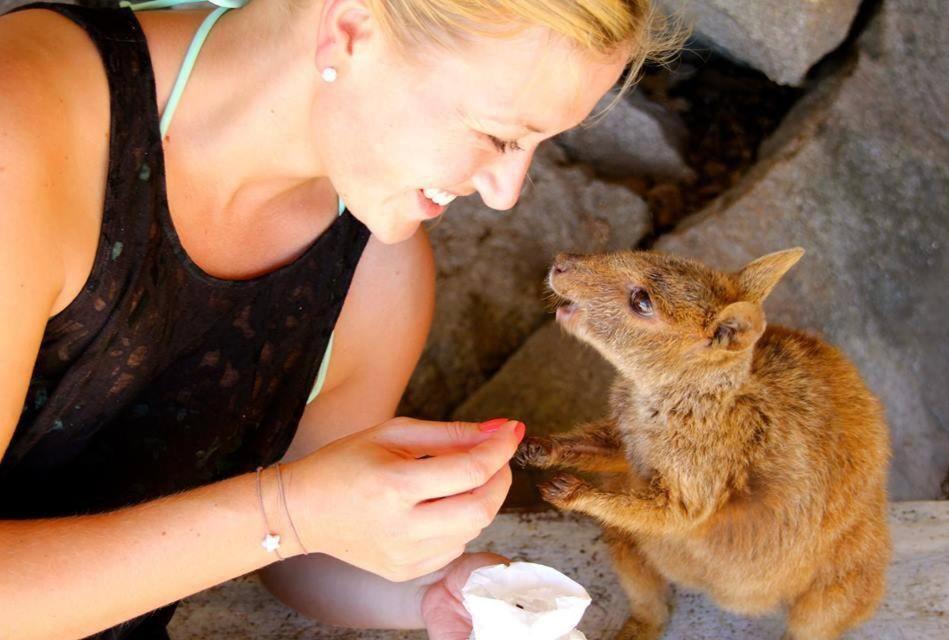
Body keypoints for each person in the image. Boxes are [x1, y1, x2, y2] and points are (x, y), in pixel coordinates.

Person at [0, 0, 681, 638]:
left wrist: (438, 591)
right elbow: (285, 519)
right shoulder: (23, 126)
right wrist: (287, 511)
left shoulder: (378, 272)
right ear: (350, 28)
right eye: (496, 135)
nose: (504, 195)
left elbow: (302, 550)